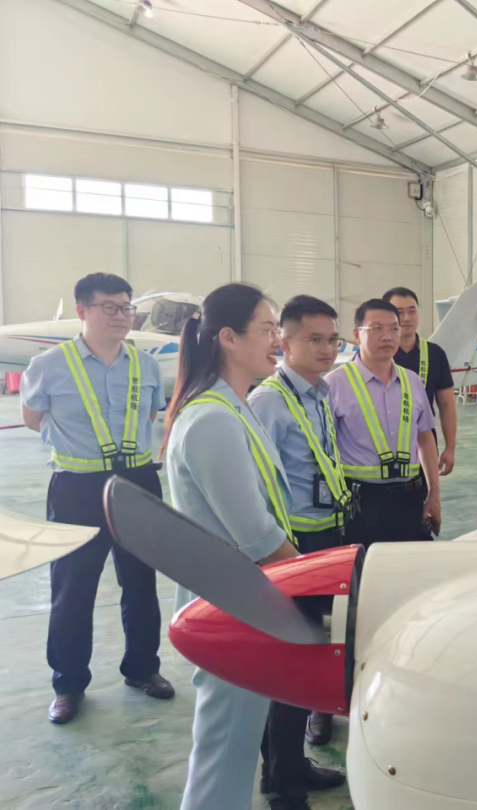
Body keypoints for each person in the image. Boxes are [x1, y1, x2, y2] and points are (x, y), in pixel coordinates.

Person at [162, 283, 306, 810]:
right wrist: (323, 584)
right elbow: (258, 537)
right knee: (223, 759)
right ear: (228, 337)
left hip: (244, 603)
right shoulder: (214, 420)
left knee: (234, 753)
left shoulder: (234, 408)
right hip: (232, 610)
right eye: (267, 330)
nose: (277, 341)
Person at [20, 272, 173, 725]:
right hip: (77, 487)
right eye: (110, 307)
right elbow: (32, 417)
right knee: (73, 588)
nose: (121, 316)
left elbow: (150, 415)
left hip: (137, 482)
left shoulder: (145, 365)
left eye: (126, 307)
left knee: (141, 582)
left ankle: (143, 669)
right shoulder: (48, 365)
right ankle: (68, 684)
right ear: (82, 311)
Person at [248, 295, 351, 772]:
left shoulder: (320, 392)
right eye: (315, 339)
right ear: (285, 342)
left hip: (326, 535)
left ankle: (288, 763)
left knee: (310, 653)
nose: (327, 349)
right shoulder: (269, 401)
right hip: (292, 547)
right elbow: (255, 484)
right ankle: (282, 773)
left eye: (333, 340)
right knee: (289, 659)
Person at [326, 299, 441, 545]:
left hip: (411, 500)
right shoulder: (334, 384)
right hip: (360, 505)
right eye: (376, 329)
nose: (387, 336)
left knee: (414, 564)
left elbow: (425, 438)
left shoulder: (412, 381)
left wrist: (434, 494)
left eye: (393, 329)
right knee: (367, 566)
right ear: (357, 335)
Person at [383, 287, 457, 475]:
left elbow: (447, 404)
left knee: (428, 491)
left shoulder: (435, 354)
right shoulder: (376, 355)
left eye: (412, 311)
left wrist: (450, 448)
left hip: (424, 442)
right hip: (382, 444)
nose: (407, 318)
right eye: (399, 312)